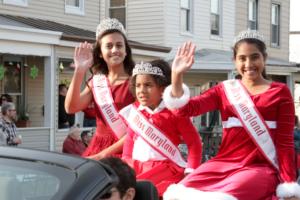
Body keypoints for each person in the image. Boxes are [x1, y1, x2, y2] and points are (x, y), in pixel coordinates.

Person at [163, 30, 300, 200]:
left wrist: (289, 186)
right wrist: (177, 75)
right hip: (223, 163)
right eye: (242, 58)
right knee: (181, 191)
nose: (248, 63)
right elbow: (185, 109)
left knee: (226, 196)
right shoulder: (225, 90)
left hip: (260, 167)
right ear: (234, 61)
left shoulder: (280, 92)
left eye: (254, 57)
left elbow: (285, 143)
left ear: (264, 57)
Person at [119, 60, 202, 196]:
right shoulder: (135, 112)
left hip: (165, 171)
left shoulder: (175, 112)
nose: (141, 90)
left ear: (163, 88)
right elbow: (130, 140)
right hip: (136, 167)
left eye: (148, 85)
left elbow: (194, 143)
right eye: (138, 85)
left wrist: (190, 170)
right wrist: (126, 161)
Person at [65, 18, 135, 160]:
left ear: (126, 51)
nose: (115, 50)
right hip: (98, 147)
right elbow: (71, 108)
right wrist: (80, 70)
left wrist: (102, 155)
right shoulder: (97, 82)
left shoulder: (137, 82)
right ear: (100, 53)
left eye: (119, 45)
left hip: (127, 148)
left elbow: (139, 129)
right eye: (109, 46)